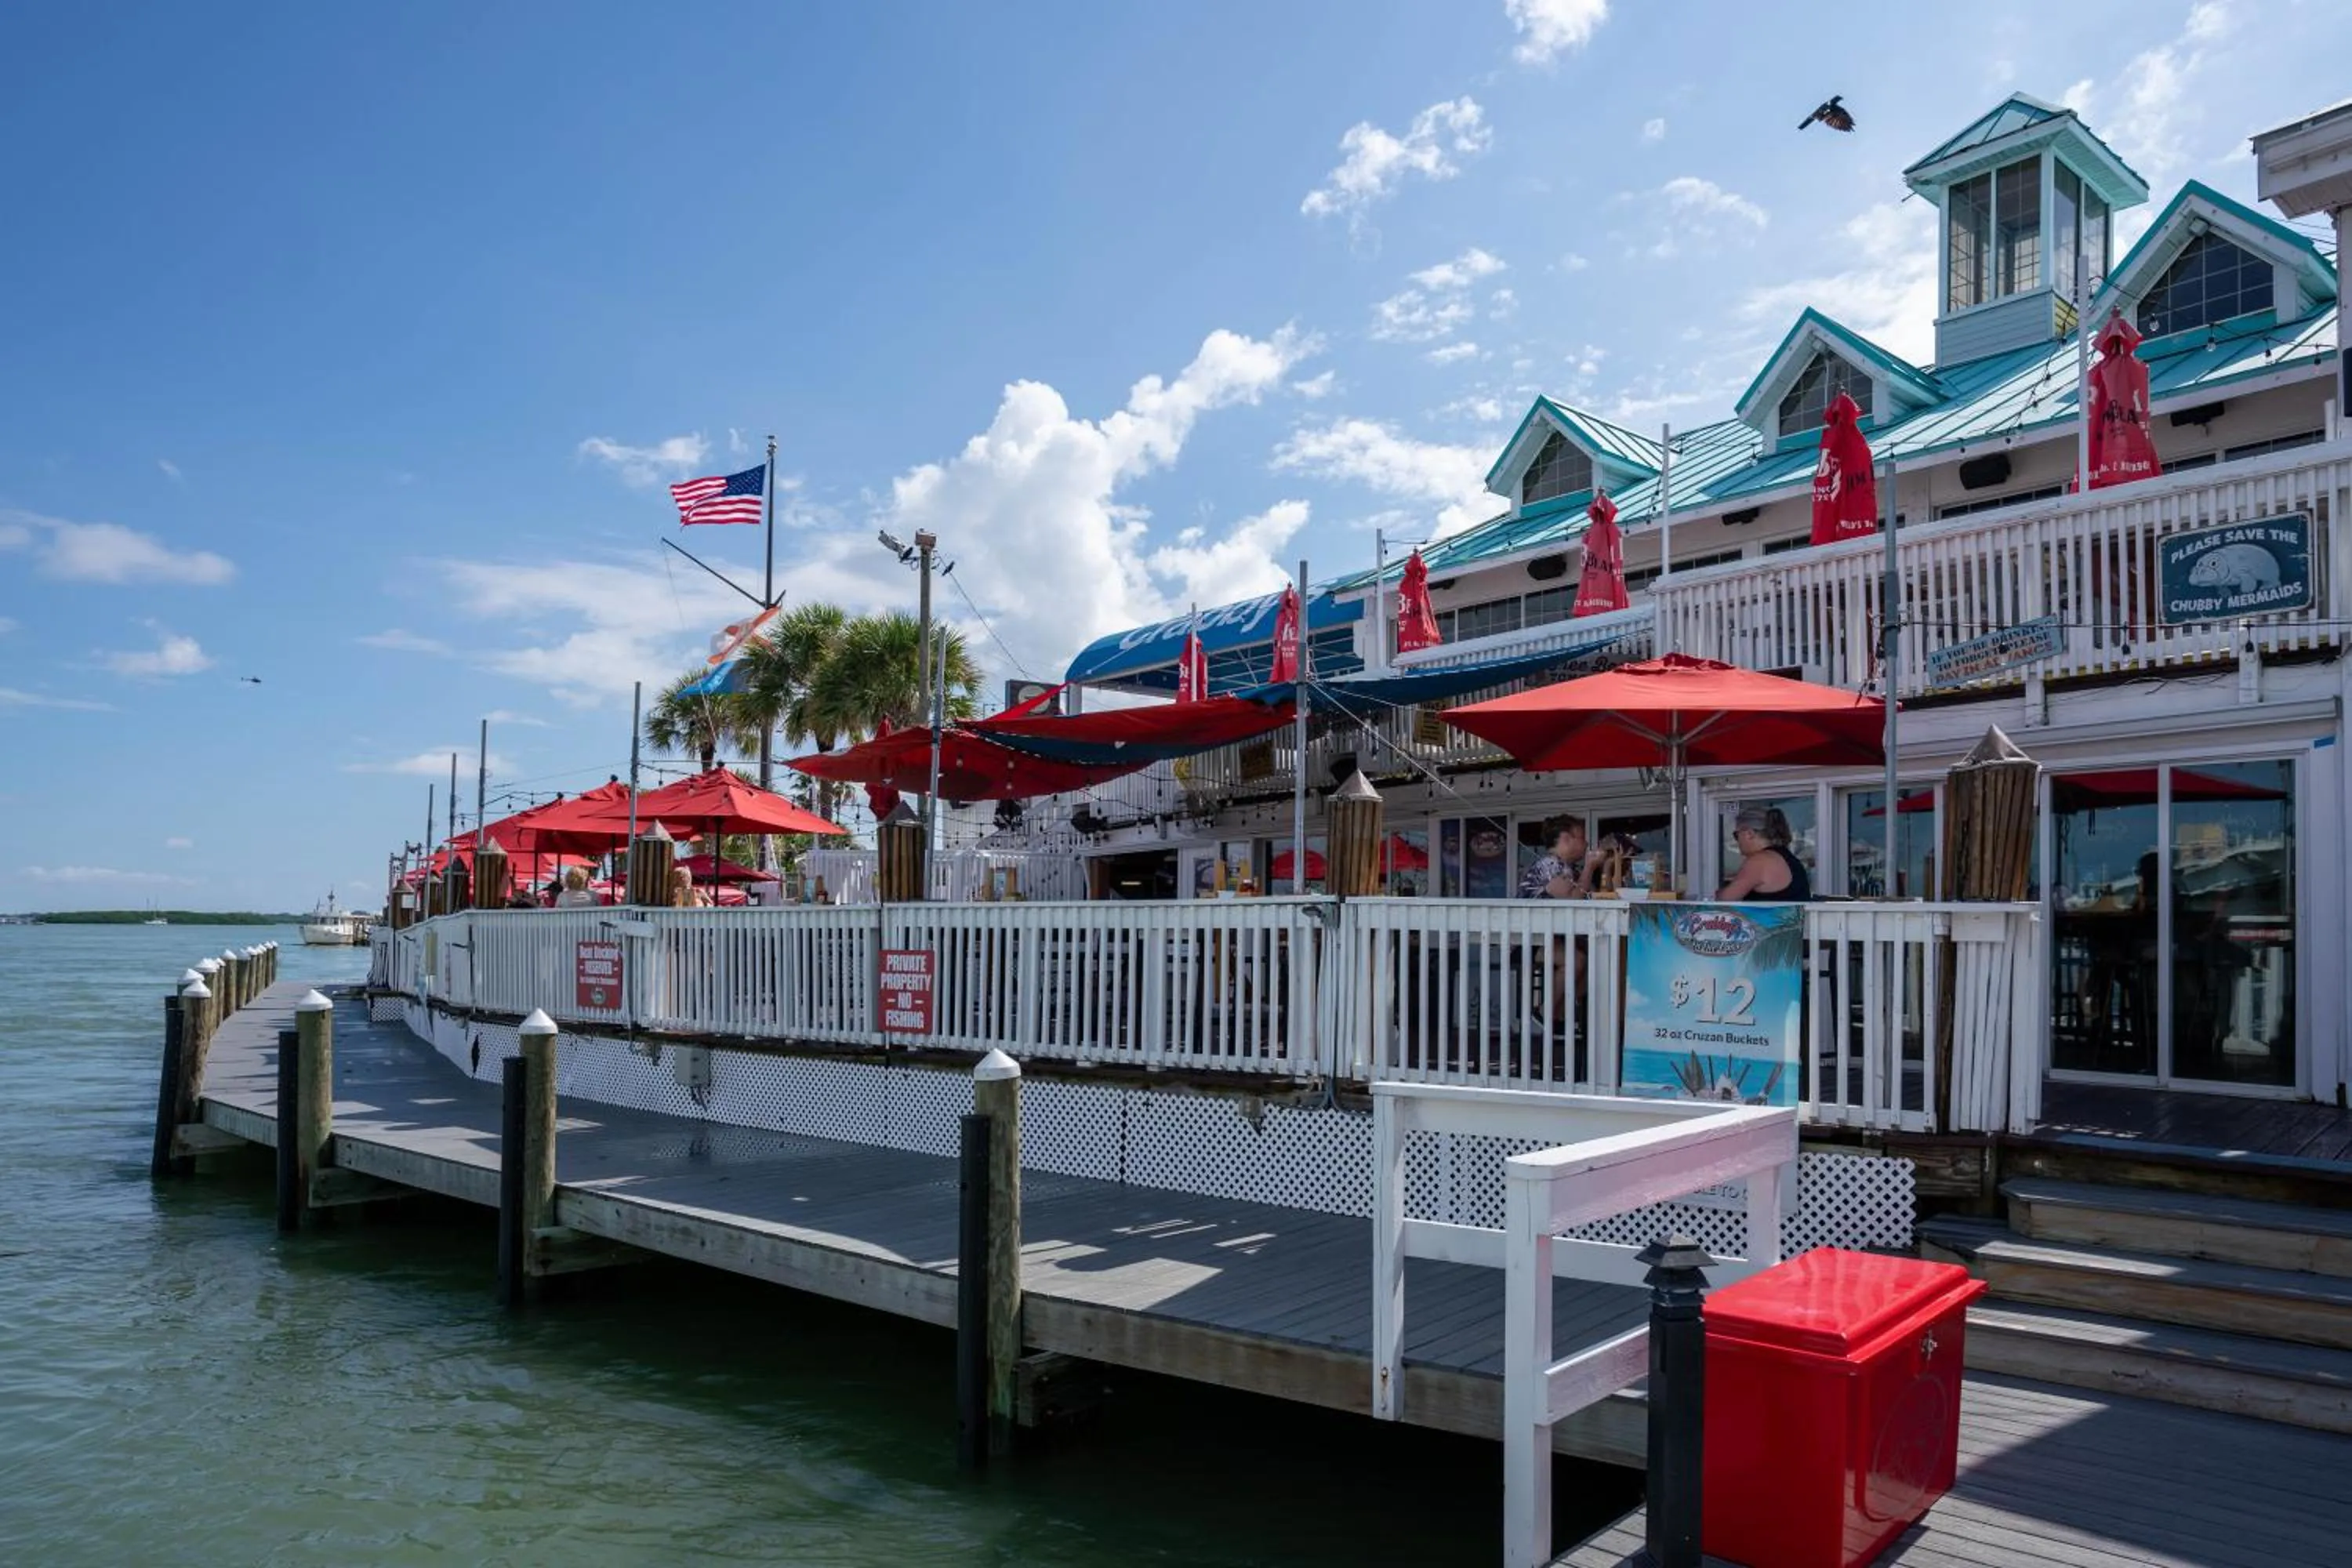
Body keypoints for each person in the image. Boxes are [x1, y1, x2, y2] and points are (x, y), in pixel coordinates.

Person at [1718, 807, 1812, 902]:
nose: (1737, 841)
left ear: (1749, 834)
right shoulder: (1788, 858)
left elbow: (1725, 899)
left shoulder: (1759, 861)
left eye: (1736, 835)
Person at [1517, 817, 1593, 901]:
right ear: (1566, 839)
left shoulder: (1569, 867)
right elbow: (1573, 901)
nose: (1586, 843)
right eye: (1582, 838)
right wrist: (1589, 867)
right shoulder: (1551, 865)